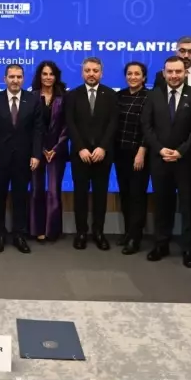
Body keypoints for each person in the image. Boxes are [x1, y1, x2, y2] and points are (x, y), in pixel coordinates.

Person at [142, 56, 191, 266]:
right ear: (164, 73)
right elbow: (146, 126)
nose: (174, 75)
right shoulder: (154, 95)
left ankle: (189, 248)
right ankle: (161, 244)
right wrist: (160, 149)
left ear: (185, 73)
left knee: (188, 206)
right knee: (162, 204)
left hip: (186, 161)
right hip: (160, 159)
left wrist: (180, 151)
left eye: (178, 71)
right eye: (170, 71)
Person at [0, 64, 43, 254]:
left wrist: (36, 154)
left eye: (19, 77)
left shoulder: (33, 100)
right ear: (5, 79)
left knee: (20, 198)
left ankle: (19, 235)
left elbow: (38, 130)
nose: (15, 80)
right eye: (11, 77)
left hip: (23, 158)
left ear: (23, 79)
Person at [66, 57, 117, 250]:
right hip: (80, 155)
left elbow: (113, 123)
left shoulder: (111, 95)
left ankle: (98, 232)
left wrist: (103, 147)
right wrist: (80, 148)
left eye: (95, 70)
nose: (91, 74)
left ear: (101, 73)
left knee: (100, 196)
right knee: (80, 195)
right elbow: (70, 123)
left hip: (102, 155)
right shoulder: (72, 95)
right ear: (82, 73)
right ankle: (81, 232)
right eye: (87, 70)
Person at [30, 61, 68, 242]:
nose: (48, 77)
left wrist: (56, 148)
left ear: (56, 76)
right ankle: (36, 229)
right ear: (39, 76)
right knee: (36, 190)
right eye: (44, 74)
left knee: (54, 191)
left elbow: (67, 126)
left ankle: (52, 230)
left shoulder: (64, 97)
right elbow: (30, 126)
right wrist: (41, 149)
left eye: (51, 74)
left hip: (57, 151)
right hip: (36, 151)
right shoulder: (31, 96)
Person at [115, 62, 149, 255]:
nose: (133, 77)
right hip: (120, 153)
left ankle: (136, 237)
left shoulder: (149, 97)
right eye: (130, 73)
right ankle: (128, 232)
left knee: (137, 195)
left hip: (139, 154)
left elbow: (148, 127)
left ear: (144, 77)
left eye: (137, 74)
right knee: (125, 194)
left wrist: (142, 151)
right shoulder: (119, 96)